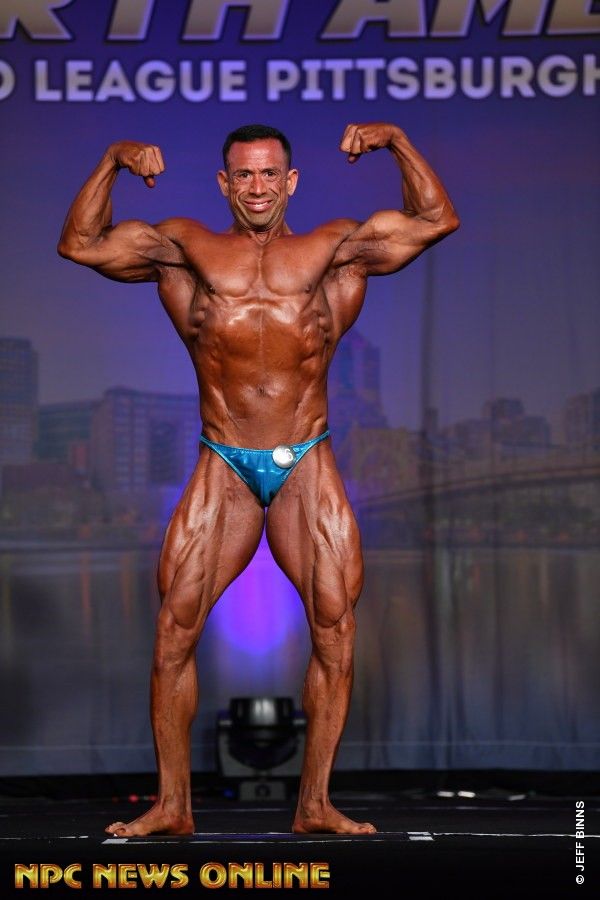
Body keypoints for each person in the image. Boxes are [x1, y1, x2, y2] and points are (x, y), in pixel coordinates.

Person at [58, 121, 459, 836]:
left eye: (269, 173)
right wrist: (113, 160)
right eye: (243, 174)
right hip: (225, 461)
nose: (257, 187)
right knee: (173, 631)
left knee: (335, 628)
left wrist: (397, 141)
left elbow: (436, 220)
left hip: (307, 458)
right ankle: (172, 807)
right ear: (224, 183)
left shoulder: (335, 249)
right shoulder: (186, 249)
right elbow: (81, 243)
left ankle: (315, 805)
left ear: (290, 180)